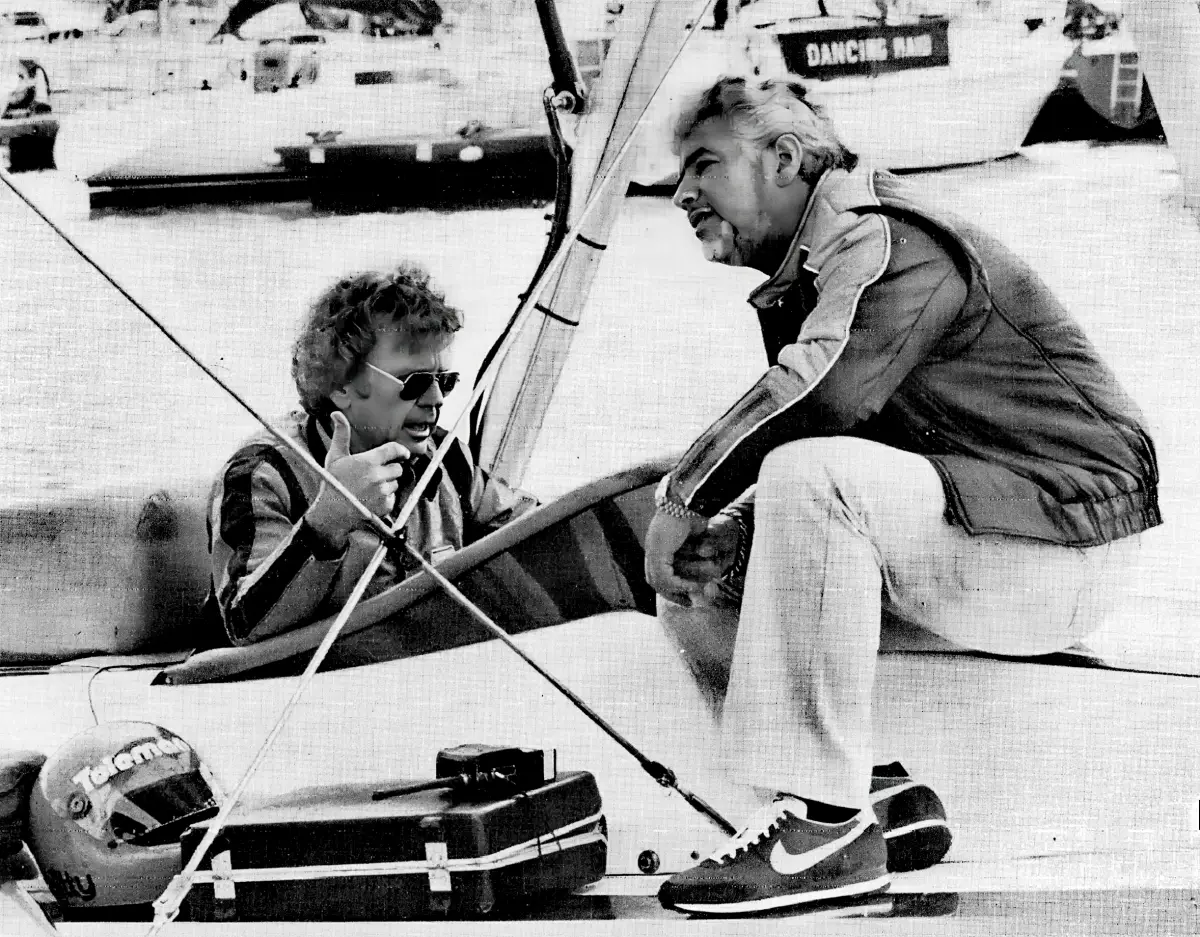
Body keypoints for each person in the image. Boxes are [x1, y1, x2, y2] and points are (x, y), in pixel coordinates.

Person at [645, 77, 1160, 915]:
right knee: (705, 582)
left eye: (703, 164)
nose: (681, 193)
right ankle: (876, 798)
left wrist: (684, 497)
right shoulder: (817, 265)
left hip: (1065, 547)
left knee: (805, 477)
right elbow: (858, 425)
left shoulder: (883, 238)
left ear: (781, 159)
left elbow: (827, 393)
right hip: (983, 532)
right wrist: (726, 530)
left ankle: (826, 828)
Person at [201, 264, 537, 649]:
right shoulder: (262, 474)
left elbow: (533, 530)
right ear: (343, 385)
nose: (437, 399)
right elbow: (244, 624)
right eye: (415, 383)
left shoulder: (446, 461)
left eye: (444, 381)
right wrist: (326, 524)